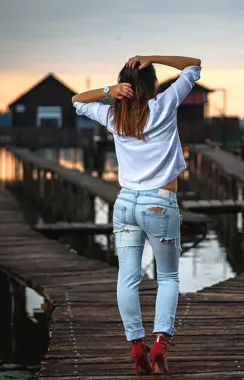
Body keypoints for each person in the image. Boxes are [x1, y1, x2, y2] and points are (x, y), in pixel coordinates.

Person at [71, 54, 201, 375]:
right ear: (153, 85)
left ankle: (135, 346)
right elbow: (193, 65)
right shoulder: (163, 105)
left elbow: (76, 100)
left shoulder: (114, 116)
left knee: (127, 278)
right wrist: (152, 57)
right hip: (160, 203)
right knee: (167, 277)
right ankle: (160, 343)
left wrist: (109, 90)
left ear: (125, 88)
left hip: (125, 204)